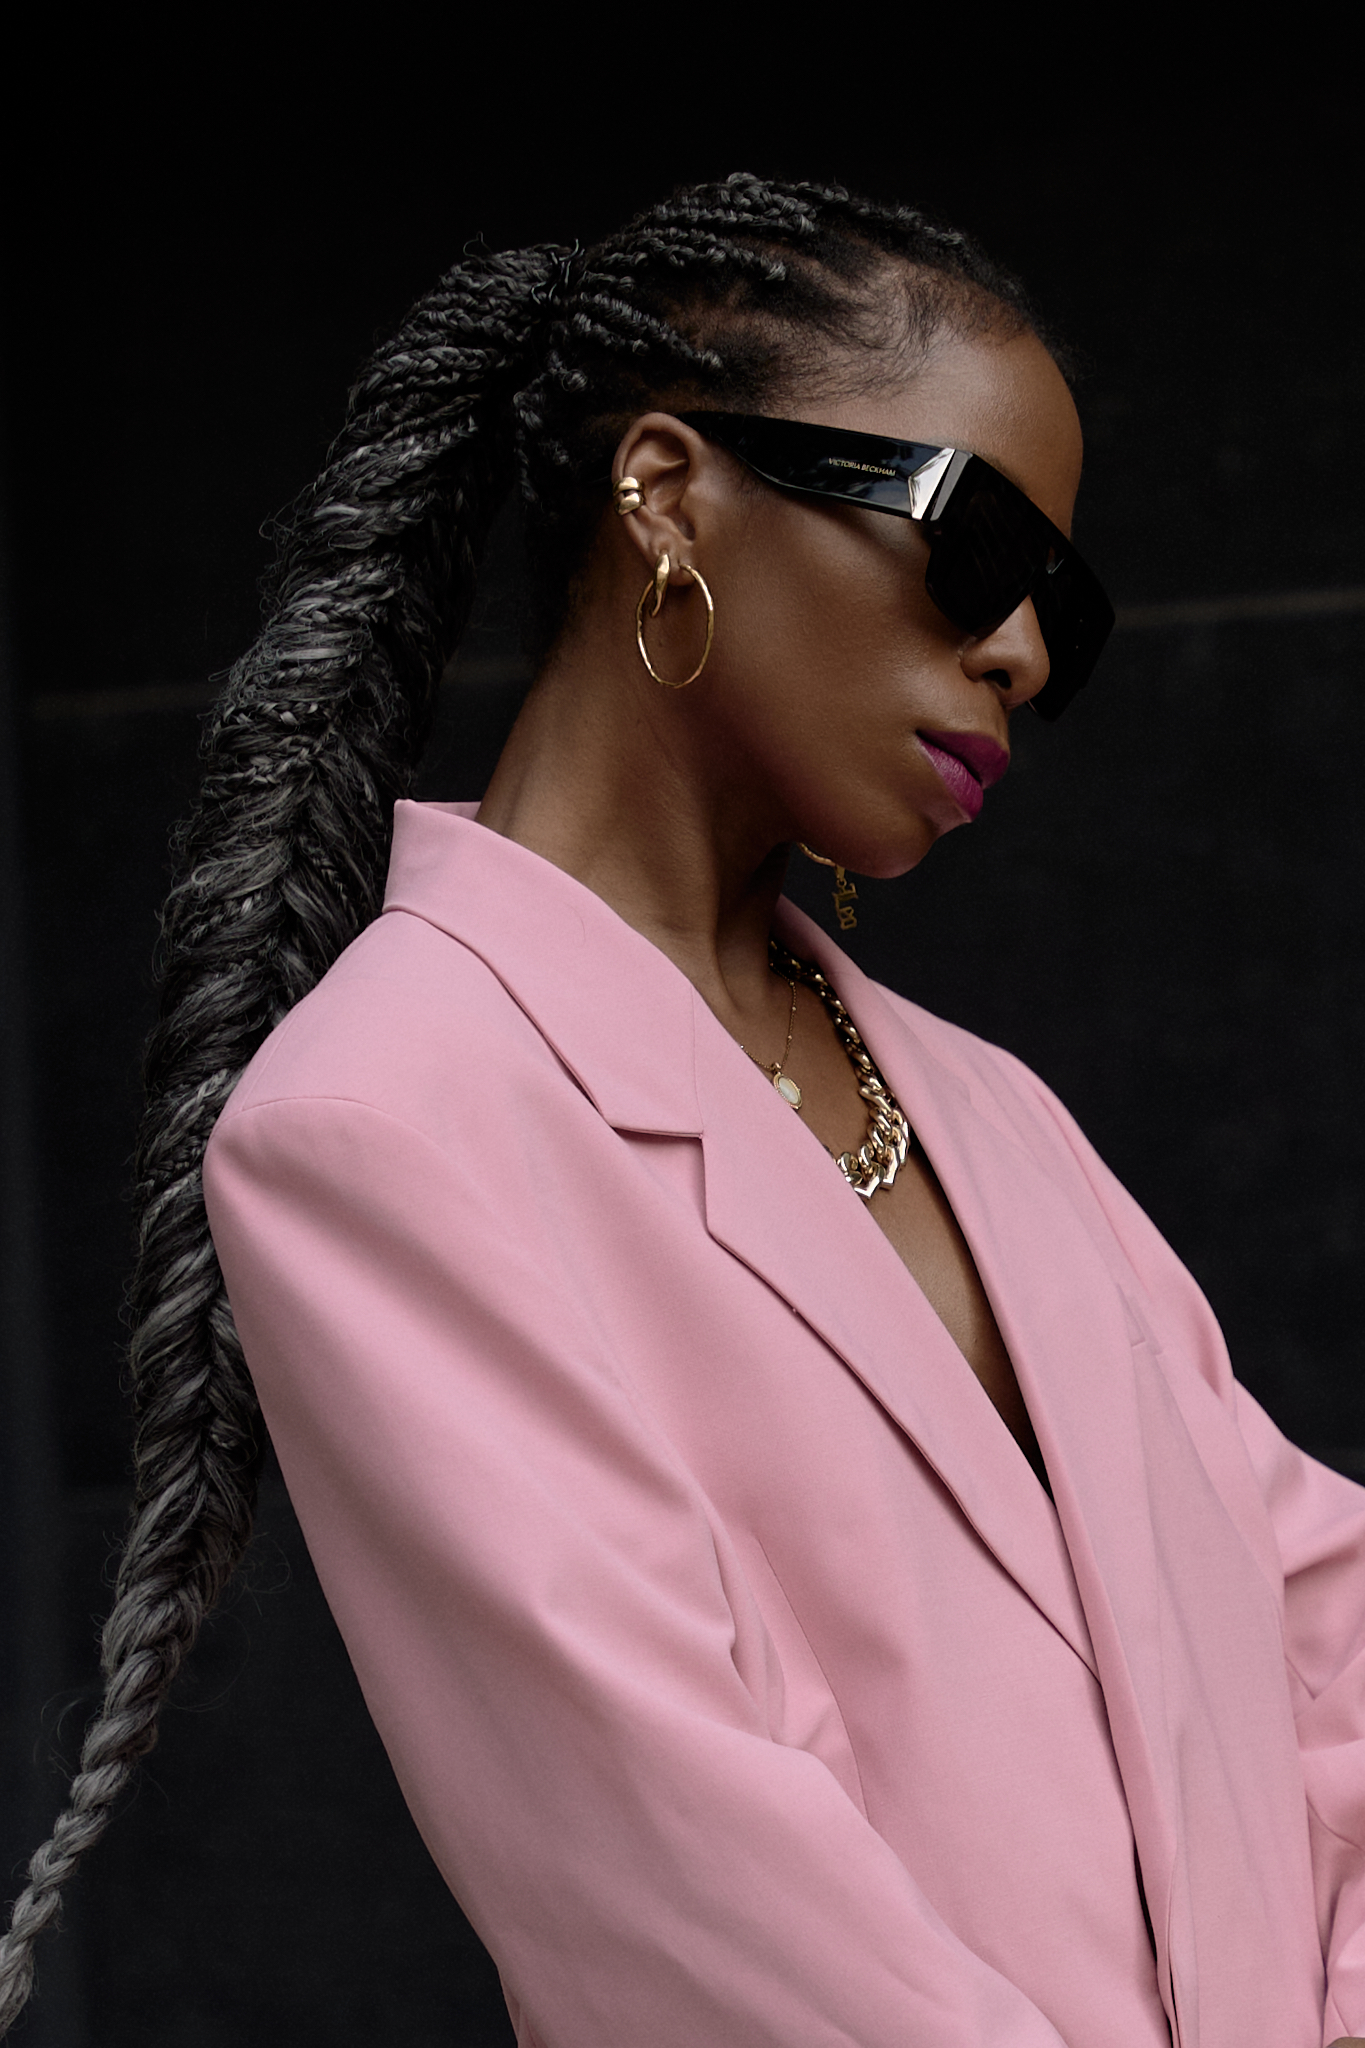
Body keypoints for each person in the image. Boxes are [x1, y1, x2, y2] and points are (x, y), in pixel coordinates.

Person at [2, 172, 1363, 2047]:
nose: (1025, 656)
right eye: (975, 549)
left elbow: (1330, 1649)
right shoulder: (386, 1121)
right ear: (666, 488)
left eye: (1067, 606)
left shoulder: (993, 1115)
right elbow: (696, 1903)